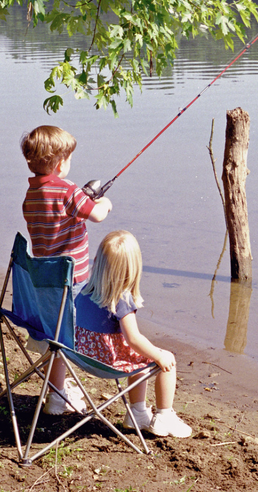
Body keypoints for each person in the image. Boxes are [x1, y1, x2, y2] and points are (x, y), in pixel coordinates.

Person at [20, 125, 113, 415]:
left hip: (44, 280)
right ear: (60, 164)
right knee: (63, 336)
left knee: (53, 333)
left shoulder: (30, 195)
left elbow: (55, 214)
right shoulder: (68, 191)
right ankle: (59, 395)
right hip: (72, 280)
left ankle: (57, 391)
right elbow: (96, 215)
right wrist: (104, 202)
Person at [74, 230, 192, 438]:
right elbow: (133, 339)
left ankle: (137, 413)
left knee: (138, 359)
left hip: (84, 355)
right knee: (166, 360)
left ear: (97, 261)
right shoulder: (120, 299)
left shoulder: (84, 290)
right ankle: (164, 415)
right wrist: (158, 355)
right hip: (109, 361)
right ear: (132, 270)